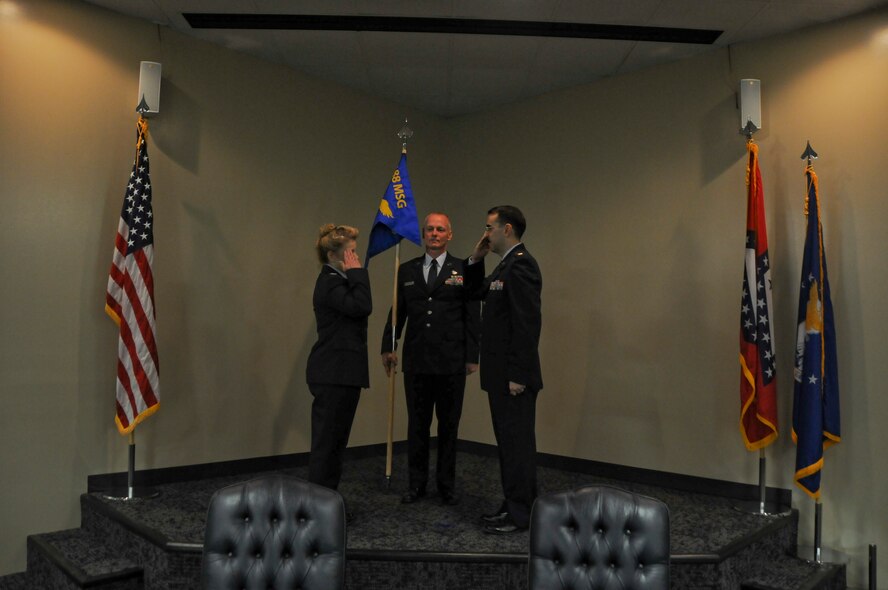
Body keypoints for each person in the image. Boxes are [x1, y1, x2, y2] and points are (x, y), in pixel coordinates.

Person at [381, 212, 481, 506]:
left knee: (449, 427)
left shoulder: (462, 269)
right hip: (417, 362)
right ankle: (416, 484)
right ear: (423, 235)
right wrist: (389, 344)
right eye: (429, 230)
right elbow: (397, 311)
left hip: (451, 362)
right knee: (417, 426)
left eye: (440, 230)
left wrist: (472, 355)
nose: (434, 234)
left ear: (450, 234)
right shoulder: (407, 270)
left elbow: (472, 315)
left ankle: (446, 485)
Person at [464, 205, 542, 534]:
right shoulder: (502, 268)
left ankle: (522, 514)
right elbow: (472, 293)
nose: (486, 234)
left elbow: (526, 325)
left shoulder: (522, 266)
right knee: (508, 446)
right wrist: (476, 259)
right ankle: (512, 504)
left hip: (514, 378)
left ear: (506, 229)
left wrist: (518, 375)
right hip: (500, 375)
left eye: (489, 228)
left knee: (518, 447)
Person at [306, 224, 372, 493]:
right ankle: (320, 504)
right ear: (334, 256)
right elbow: (362, 307)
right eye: (351, 253)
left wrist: (354, 274)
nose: (355, 259)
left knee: (335, 443)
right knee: (328, 445)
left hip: (342, 374)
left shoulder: (339, 282)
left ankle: (326, 500)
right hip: (333, 373)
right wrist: (358, 273)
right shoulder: (330, 283)